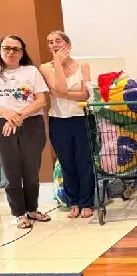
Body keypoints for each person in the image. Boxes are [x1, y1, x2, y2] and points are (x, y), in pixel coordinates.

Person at [40, 31, 95, 218]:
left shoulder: (83, 65)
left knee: (84, 161)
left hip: (81, 117)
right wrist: (58, 62)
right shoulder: (46, 67)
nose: (54, 44)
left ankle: (87, 202)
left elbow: (85, 95)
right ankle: (73, 202)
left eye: (58, 41)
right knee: (67, 163)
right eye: (50, 42)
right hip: (58, 120)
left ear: (68, 44)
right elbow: (60, 87)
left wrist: (62, 94)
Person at [0, 35, 50, 229]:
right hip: (3, 124)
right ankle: (19, 213)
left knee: (31, 170)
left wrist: (18, 116)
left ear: (22, 52)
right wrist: (6, 114)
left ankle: (32, 209)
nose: (11, 52)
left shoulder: (31, 71)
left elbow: (41, 101)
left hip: (31, 124)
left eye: (16, 49)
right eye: (6, 48)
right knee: (11, 171)